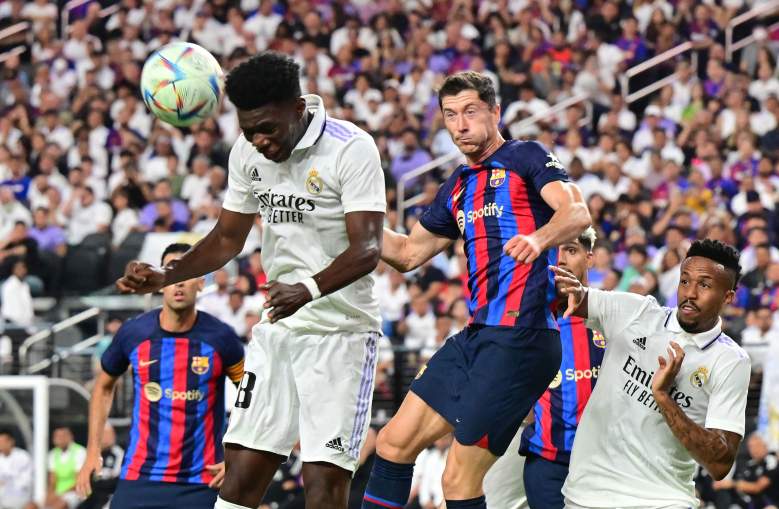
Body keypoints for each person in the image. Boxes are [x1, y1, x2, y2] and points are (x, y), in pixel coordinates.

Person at [115, 51, 386, 509]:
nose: (259, 140)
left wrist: (309, 289)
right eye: (249, 130)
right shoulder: (247, 152)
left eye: (268, 129)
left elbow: (368, 248)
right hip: (278, 328)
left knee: (322, 484)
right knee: (238, 477)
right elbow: (226, 237)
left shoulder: (350, 148)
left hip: (341, 335)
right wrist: (165, 274)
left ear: (298, 110)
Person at [361, 71, 590, 509]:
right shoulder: (458, 186)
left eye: (470, 112)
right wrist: (350, 217)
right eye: (450, 115)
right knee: (392, 444)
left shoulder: (526, 156)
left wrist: (539, 239)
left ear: (494, 112)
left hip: (522, 340)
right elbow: (408, 253)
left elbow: (577, 213)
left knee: (458, 480)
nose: (460, 125)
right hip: (477, 335)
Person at [552, 239, 751, 508]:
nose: (689, 293)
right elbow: (569, 293)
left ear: (728, 296)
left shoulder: (730, 360)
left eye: (704, 285)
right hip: (587, 495)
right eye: (684, 281)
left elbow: (719, 463)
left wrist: (663, 396)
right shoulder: (637, 312)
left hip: (662, 500)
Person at [76, 243, 246, 509]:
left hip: (202, 483)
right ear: (159, 283)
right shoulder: (134, 333)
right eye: (171, 273)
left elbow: (253, 394)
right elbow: (103, 387)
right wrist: (92, 452)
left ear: (201, 282)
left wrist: (239, 456)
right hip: (140, 479)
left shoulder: (222, 338)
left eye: (187, 274)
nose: (178, 283)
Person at [515, 226, 604, 509]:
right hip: (547, 465)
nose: (561, 259)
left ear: (589, 259)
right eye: (553, 252)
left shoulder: (613, 317)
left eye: (571, 250)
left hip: (604, 464)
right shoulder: (530, 321)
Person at [47, 427, 86, 509]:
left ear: (70, 437)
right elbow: (52, 481)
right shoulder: (52, 454)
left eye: (62, 436)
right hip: (58, 492)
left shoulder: (80, 452)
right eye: (57, 436)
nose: (59, 439)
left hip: (76, 492)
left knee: (59, 505)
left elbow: (79, 481)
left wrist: (59, 495)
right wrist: (50, 494)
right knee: (34, 505)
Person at [0, 428, 35, 509]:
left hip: (20, 495)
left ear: (11, 441)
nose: (1, 444)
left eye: (3, 441)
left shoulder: (23, 456)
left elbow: (26, 481)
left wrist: (7, 483)